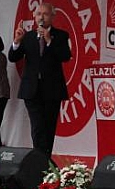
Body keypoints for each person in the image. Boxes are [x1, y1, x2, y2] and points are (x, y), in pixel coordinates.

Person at [8, 2, 71, 156]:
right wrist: (16, 42)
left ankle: (45, 159)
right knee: (37, 126)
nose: (41, 17)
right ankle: (39, 160)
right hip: (31, 89)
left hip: (52, 90)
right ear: (34, 17)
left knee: (49, 127)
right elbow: (13, 57)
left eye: (45, 14)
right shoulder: (28, 37)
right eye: (38, 14)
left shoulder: (61, 35)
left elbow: (65, 56)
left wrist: (50, 41)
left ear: (53, 16)